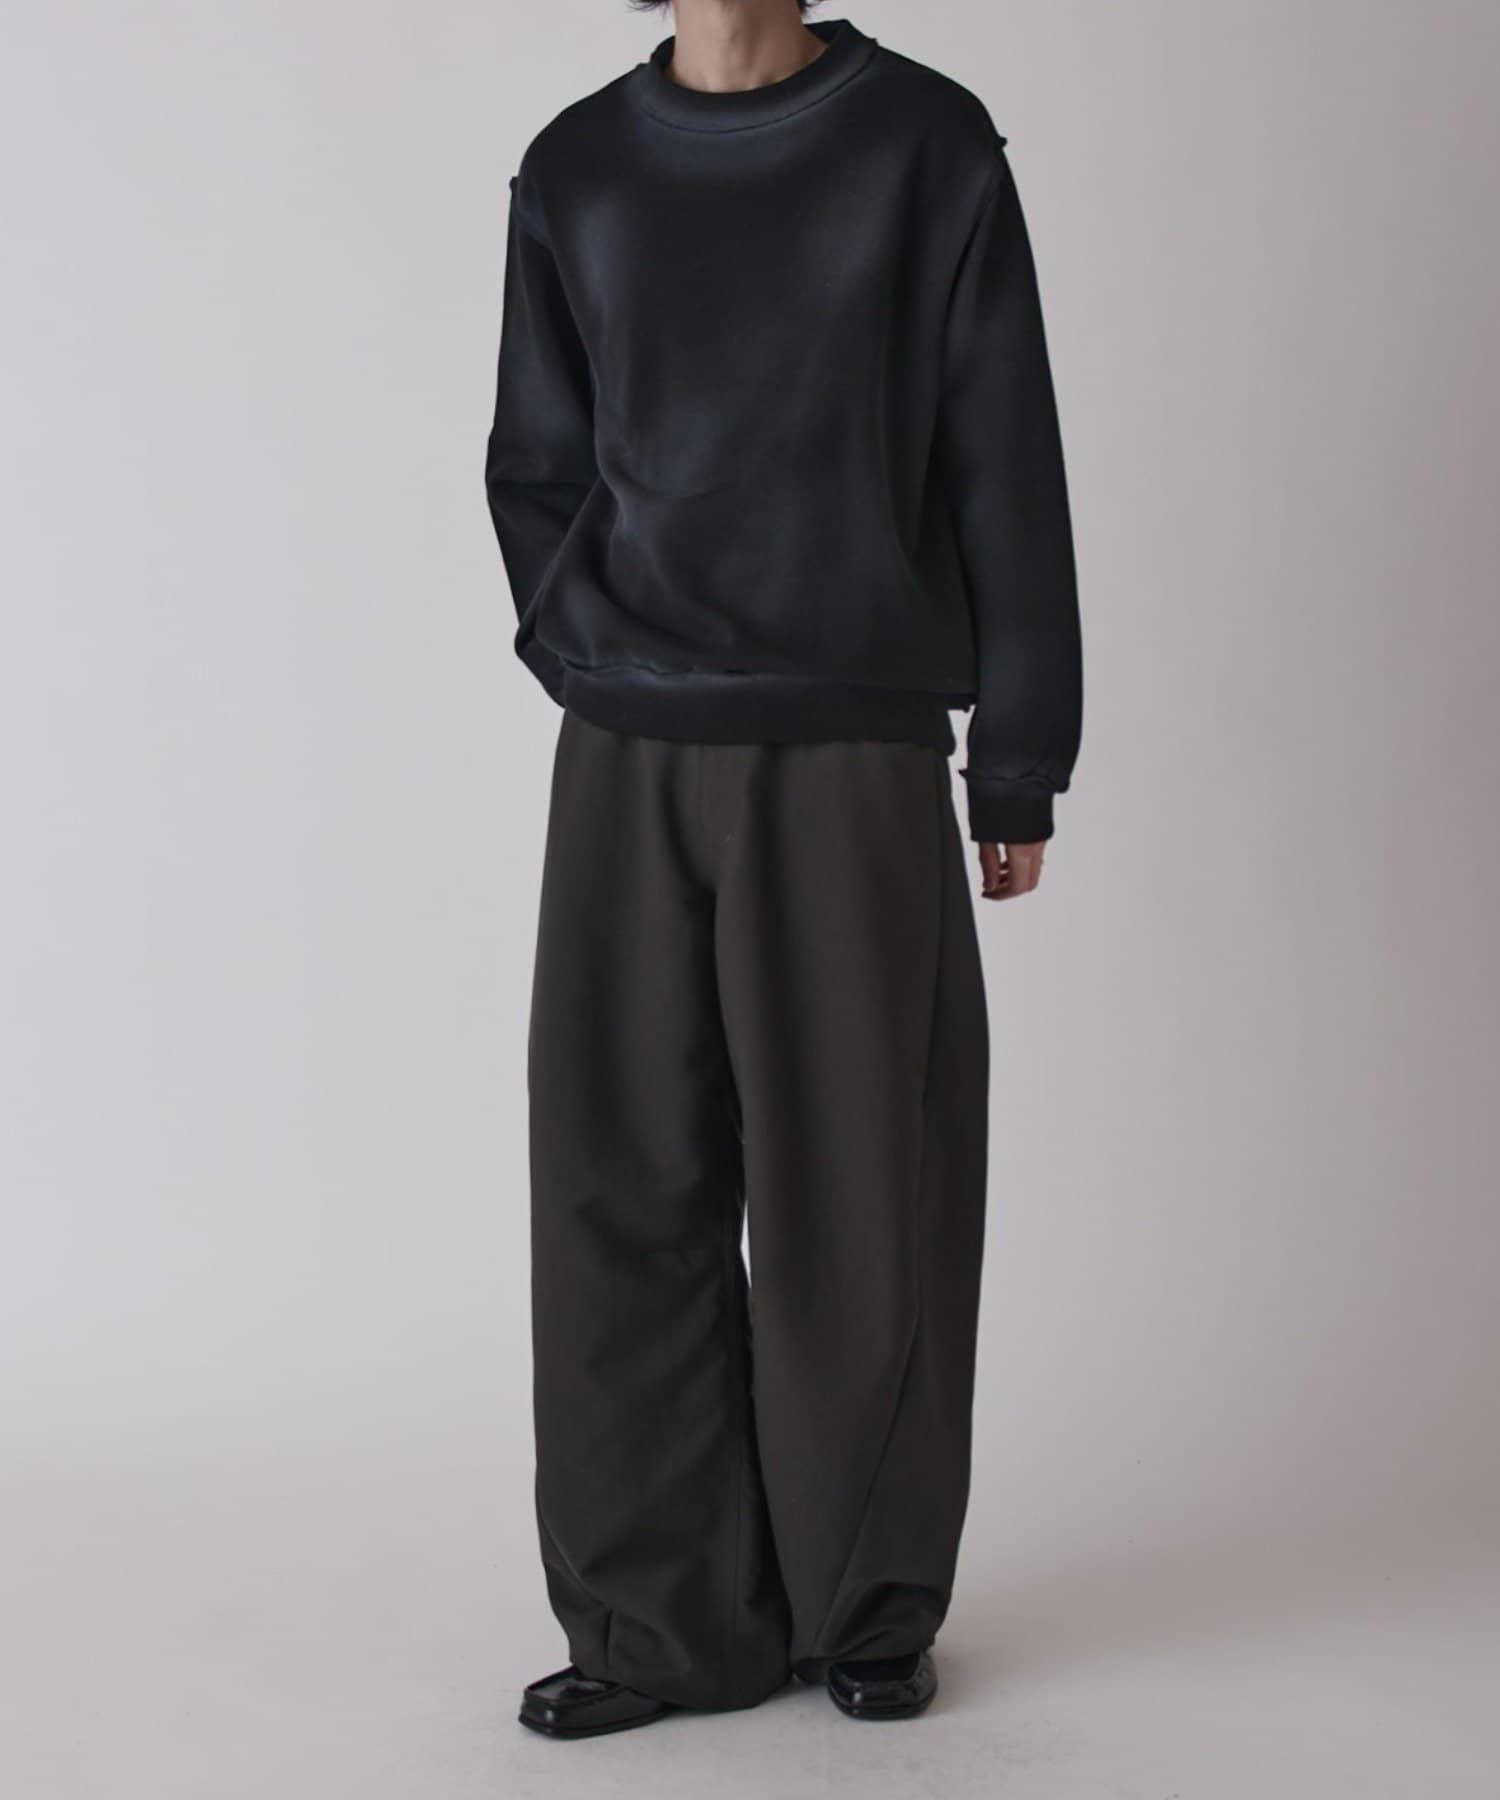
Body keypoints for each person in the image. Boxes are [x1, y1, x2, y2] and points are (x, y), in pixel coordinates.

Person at [484, 0, 1081, 1738]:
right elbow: (537, 462)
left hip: (851, 745)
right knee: (617, 1183)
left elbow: (1005, 456)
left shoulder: (923, 147)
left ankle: (862, 1606)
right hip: (628, 751)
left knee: (861, 1186)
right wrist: (592, 657)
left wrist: (1019, 751)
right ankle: (656, 1626)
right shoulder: (579, 170)